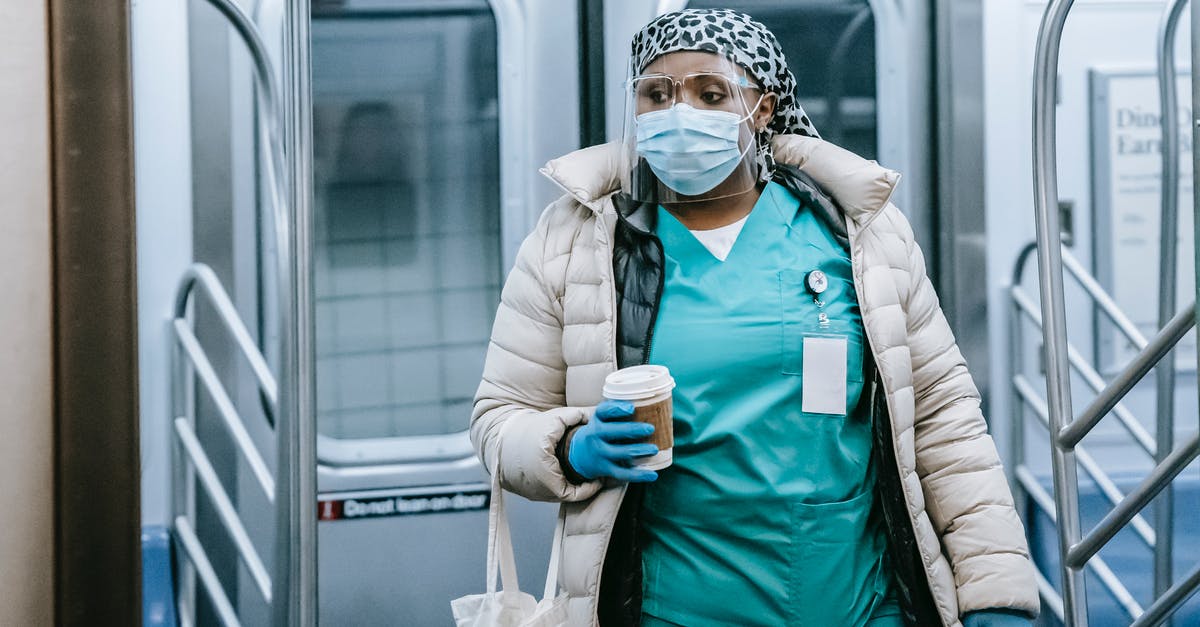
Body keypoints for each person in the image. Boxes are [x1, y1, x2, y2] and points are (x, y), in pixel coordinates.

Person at [471, 8, 1038, 627]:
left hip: (860, 604)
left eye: (710, 94)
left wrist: (995, 594)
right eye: (655, 95)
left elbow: (944, 420)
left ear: (762, 109)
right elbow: (498, 418)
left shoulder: (857, 234)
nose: (677, 115)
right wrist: (572, 448)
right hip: (672, 608)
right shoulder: (576, 241)